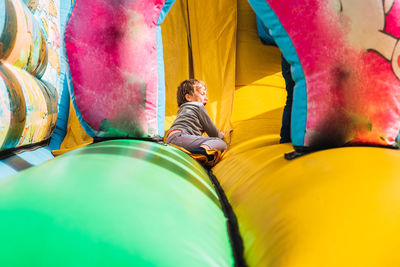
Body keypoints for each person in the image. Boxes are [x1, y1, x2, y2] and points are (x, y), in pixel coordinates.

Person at [165, 79, 227, 155]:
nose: (206, 98)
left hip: (170, 140)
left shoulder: (182, 110)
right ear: (188, 97)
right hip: (180, 138)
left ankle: (198, 152)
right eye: (202, 94)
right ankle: (200, 152)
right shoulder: (198, 106)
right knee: (220, 142)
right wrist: (220, 135)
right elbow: (213, 132)